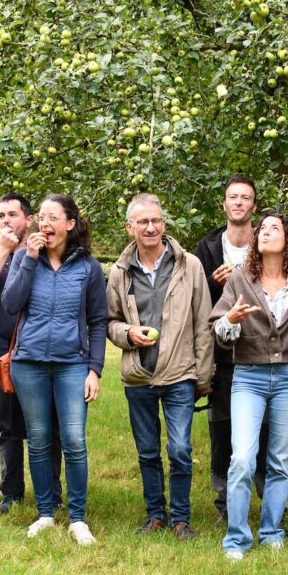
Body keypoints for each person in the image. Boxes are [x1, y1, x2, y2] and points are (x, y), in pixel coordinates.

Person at [210, 212, 288, 561]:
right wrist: (230, 320)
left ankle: (272, 532)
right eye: (263, 229)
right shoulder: (240, 280)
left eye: (274, 228)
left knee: (279, 460)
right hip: (249, 377)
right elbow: (218, 328)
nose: (265, 232)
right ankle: (236, 539)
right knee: (242, 457)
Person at [106, 193, 214, 542]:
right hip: (138, 374)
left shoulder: (190, 265)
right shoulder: (120, 272)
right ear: (130, 228)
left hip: (180, 372)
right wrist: (127, 333)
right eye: (142, 222)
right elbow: (110, 321)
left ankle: (181, 518)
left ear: (164, 224)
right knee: (148, 449)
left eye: (156, 220)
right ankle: (155, 515)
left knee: (180, 449)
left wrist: (204, 374)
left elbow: (203, 322)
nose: (150, 227)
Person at [2, 194, 107, 545]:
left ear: (69, 224)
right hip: (28, 363)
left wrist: (95, 369)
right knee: (40, 441)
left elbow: (97, 321)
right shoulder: (23, 257)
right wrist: (30, 259)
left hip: (72, 366)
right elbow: (10, 303)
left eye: (51, 217)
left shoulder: (89, 268)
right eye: (40, 218)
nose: (43, 223)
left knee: (75, 441)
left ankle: (77, 518)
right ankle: (46, 513)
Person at [0, 193, 63, 514]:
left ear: (28, 219)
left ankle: (51, 492)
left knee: (49, 426)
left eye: (11, 214)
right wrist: (5, 251)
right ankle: (12, 493)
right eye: (0, 216)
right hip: (2, 356)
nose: (5, 220)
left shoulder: (45, 251)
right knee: (8, 426)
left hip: (42, 354)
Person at [194, 176, 271, 522]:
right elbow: (197, 302)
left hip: (261, 351)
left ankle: (269, 499)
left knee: (267, 429)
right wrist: (216, 285)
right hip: (222, 355)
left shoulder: (270, 241)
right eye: (232, 197)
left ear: (254, 205)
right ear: (224, 204)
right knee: (221, 428)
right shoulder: (208, 248)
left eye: (245, 198)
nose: (238, 203)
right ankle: (225, 500)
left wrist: (244, 279)